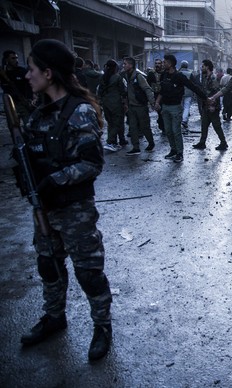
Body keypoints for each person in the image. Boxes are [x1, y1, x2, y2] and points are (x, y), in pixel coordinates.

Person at [19, 39, 114, 360]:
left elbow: (92, 163)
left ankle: (102, 327)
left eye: (32, 69)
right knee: (49, 266)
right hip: (43, 209)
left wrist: (53, 181)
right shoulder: (37, 114)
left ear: (48, 72)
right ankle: (54, 317)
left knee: (89, 273)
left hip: (75, 211)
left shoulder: (80, 112)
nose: (27, 75)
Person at [154, 54, 206, 163]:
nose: (163, 64)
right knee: (168, 131)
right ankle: (173, 150)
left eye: (164, 62)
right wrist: (157, 102)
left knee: (176, 131)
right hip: (165, 107)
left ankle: (179, 153)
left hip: (176, 107)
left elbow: (192, 86)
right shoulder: (164, 75)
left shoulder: (179, 76)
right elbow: (161, 91)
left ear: (170, 64)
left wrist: (205, 98)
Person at [122, 56, 156, 155]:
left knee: (145, 127)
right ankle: (135, 147)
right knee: (132, 127)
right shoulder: (126, 76)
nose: (123, 66)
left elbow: (147, 89)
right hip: (132, 106)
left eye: (125, 64)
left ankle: (151, 143)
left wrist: (152, 102)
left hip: (141, 106)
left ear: (131, 65)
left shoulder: (138, 76)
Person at [191, 59, 228, 151]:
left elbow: (215, 92)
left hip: (212, 106)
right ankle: (202, 142)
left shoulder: (213, 78)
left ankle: (223, 143)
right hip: (206, 105)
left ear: (207, 67)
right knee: (204, 125)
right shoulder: (205, 77)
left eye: (203, 66)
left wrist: (213, 106)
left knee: (216, 125)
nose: (201, 68)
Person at [99, 59, 128, 151]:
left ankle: (116, 142)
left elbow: (99, 91)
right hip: (116, 103)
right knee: (117, 122)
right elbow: (123, 91)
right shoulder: (117, 77)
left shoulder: (103, 77)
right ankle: (110, 142)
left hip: (105, 103)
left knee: (110, 123)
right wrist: (125, 103)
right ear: (115, 67)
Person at [1, 49, 34, 124]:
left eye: (16, 58)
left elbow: (30, 86)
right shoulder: (3, 73)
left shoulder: (22, 71)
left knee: (28, 124)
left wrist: (29, 98)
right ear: (7, 60)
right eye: (13, 58)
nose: (16, 60)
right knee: (13, 126)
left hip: (23, 102)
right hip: (10, 104)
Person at [146, 58, 165, 134]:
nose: (157, 65)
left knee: (164, 111)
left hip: (164, 95)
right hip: (156, 94)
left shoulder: (164, 73)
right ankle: (162, 125)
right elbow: (147, 84)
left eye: (159, 63)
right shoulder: (151, 73)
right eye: (156, 63)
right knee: (160, 111)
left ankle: (163, 126)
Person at [178, 60, 194, 130]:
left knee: (180, 107)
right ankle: (184, 120)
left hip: (179, 92)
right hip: (188, 92)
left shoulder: (178, 73)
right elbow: (193, 84)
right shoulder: (190, 74)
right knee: (186, 107)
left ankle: (179, 120)